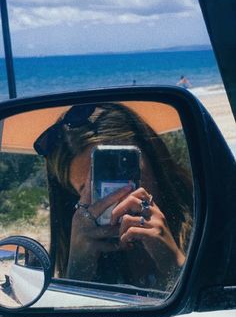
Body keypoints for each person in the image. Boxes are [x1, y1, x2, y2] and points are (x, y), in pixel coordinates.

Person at [34, 103, 193, 291]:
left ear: (152, 157)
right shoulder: (93, 251)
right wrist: (78, 267)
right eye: (92, 188)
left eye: (125, 174)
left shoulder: (205, 222)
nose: (115, 196)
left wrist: (174, 262)